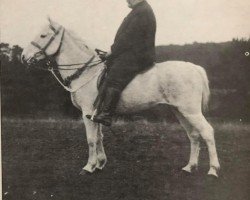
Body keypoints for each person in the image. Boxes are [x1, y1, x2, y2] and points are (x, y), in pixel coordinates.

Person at [89, 0, 156, 126]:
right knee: (109, 68)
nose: (127, 0)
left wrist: (112, 51)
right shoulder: (140, 10)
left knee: (114, 75)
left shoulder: (142, 11)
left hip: (138, 55)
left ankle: (107, 114)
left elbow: (128, 37)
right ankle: (99, 109)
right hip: (133, 53)